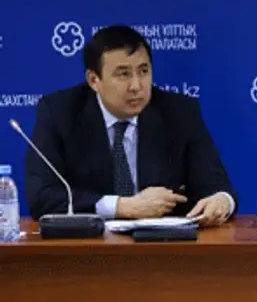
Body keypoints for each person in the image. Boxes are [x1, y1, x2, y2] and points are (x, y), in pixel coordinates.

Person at [25, 25, 237, 224]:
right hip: (89, 245)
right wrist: (122, 207)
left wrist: (221, 201)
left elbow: (216, 185)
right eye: (123, 74)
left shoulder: (179, 112)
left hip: (163, 244)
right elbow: (42, 197)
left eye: (143, 71)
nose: (136, 86)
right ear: (93, 80)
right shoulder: (60, 113)